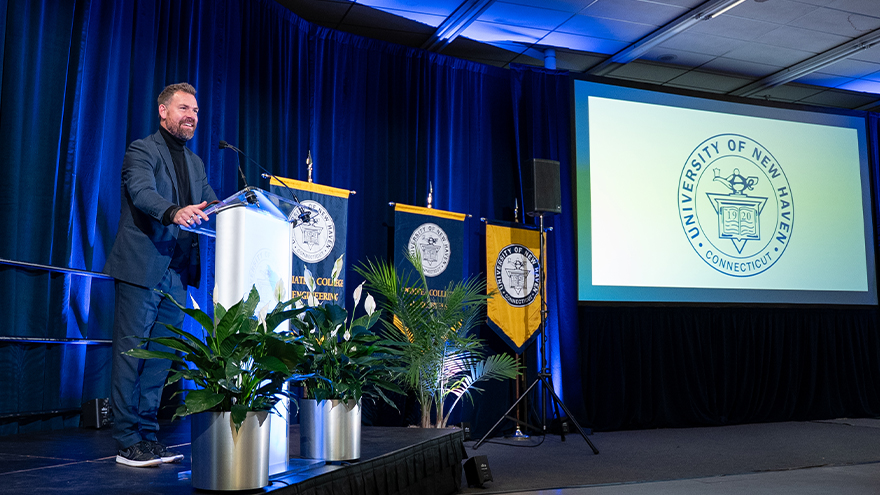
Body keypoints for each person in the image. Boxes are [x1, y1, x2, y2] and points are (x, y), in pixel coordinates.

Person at [103, 83, 218, 467]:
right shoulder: (142, 150)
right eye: (184, 108)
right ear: (163, 111)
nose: (192, 116)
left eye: (196, 111)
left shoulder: (196, 163)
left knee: (160, 358)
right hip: (142, 267)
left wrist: (242, 210)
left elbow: (212, 202)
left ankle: (149, 437)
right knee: (131, 355)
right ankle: (126, 440)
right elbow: (142, 193)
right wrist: (174, 212)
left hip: (177, 274)